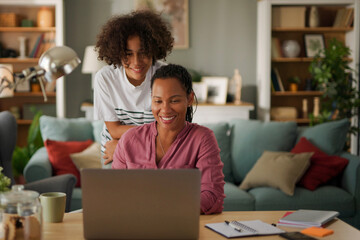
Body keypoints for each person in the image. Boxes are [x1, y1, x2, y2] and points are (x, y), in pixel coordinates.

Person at [112, 64, 225, 214]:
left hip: (181, 225)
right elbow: (114, 193)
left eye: (174, 101)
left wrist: (166, 208)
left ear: (189, 99)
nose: (165, 110)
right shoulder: (129, 140)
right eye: (158, 101)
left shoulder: (203, 138)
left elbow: (212, 195)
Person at [94, 11, 174, 168]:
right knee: (119, 192)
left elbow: (170, 131)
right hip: (114, 150)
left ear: (153, 50)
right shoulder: (105, 78)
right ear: (117, 53)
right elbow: (115, 130)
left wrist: (131, 145)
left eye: (143, 53)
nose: (136, 62)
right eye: (128, 54)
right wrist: (153, 134)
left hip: (152, 149)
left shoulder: (166, 76)